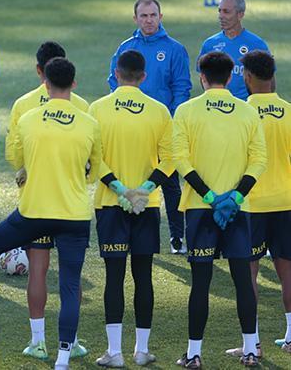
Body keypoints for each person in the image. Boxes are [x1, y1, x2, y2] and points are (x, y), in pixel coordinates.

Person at [0, 57, 103, 370]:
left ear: (45, 84)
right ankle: (63, 359)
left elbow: (18, 161)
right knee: (69, 286)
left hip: (34, 210)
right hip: (74, 215)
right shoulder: (89, 122)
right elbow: (94, 171)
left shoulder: (29, 119)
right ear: (74, 84)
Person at [173, 51, 266, 368]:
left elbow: (180, 160)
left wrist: (211, 197)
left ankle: (194, 354)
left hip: (200, 210)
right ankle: (251, 350)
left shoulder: (186, 111)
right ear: (230, 77)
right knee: (243, 280)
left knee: (200, 283)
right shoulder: (247, 112)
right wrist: (235, 197)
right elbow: (259, 160)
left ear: (202, 77)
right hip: (239, 210)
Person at [90, 50, 175, 367]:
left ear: (116, 73)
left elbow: (93, 158)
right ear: (143, 76)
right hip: (146, 206)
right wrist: (144, 190)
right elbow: (170, 159)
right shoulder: (159, 111)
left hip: (110, 204)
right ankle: (141, 350)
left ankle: (114, 352)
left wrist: (120, 189)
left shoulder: (97, 108)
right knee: (144, 276)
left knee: (114, 278)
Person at [7, 41, 89, 361]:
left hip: (36, 202)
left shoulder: (23, 105)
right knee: (71, 276)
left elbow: (15, 157)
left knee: (38, 271)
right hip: (70, 203)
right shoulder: (81, 105)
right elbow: (89, 160)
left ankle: (38, 342)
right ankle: (72, 342)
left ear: (39, 70)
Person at [107, 0, 191, 255]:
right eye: (143, 16)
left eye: (153, 15)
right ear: (135, 19)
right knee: (130, 175)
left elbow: (181, 87)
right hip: (131, 127)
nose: (149, 20)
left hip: (163, 127)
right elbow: (113, 83)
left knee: (170, 182)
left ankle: (177, 236)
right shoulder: (125, 47)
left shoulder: (175, 49)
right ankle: (125, 231)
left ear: (161, 17)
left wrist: (171, 121)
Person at [223, 50, 291, 357]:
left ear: (247, 77)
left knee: (247, 273)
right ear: (272, 75)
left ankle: (253, 344)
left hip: (250, 204)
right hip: (286, 201)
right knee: (287, 271)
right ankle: (290, 337)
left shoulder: (241, 113)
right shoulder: (289, 111)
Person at [198, 0, 272, 101]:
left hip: (247, 106)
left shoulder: (257, 44)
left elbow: (269, 81)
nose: (221, 16)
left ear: (240, 14)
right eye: (219, 11)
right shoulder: (210, 44)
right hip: (219, 106)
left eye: (226, 12)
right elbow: (203, 77)